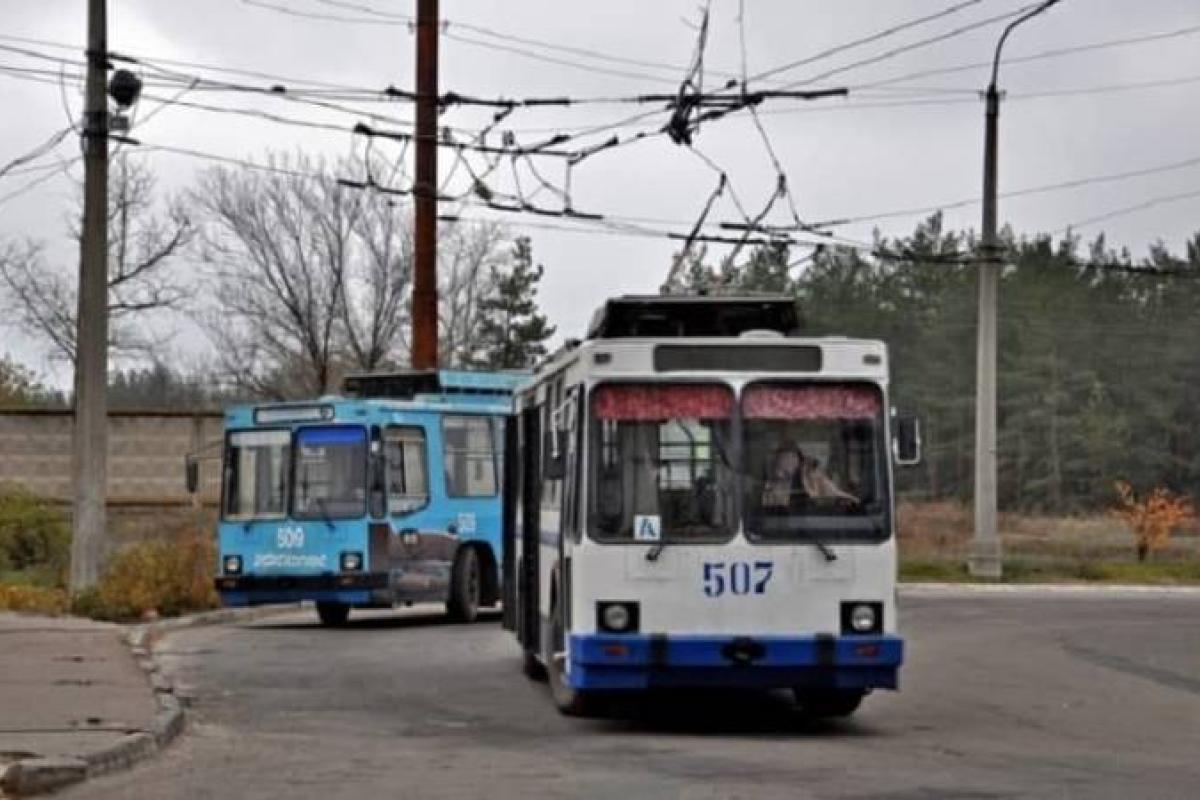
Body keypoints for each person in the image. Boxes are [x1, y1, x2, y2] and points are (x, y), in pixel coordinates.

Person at [761, 442, 858, 510]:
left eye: (792, 457)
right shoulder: (771, 485)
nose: (788, 462)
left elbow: (833, 491)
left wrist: (847, 499)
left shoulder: (812, 475)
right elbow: (769, 507)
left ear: (798, 460)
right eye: (783, 458)